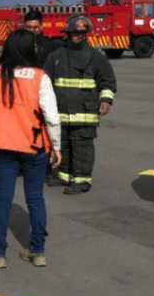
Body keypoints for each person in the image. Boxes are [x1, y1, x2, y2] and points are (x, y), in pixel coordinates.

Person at [0, 30, 61, 268]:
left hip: (3, 146)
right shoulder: (39, 76)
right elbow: (52, 117)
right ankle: (37, 251)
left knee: (2, 199)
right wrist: (57, 146)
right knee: (35, 199)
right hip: (34, 145)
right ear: (31, 50)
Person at [44, 15, 117, 194]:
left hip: (85, 113)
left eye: (83, 33)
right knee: (63, 144)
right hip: (61, 112)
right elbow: (44, 82)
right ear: (68, 34)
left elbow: (108, 81)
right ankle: (63, 175)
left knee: (82, 146)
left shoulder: (96, 57)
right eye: (76, 33)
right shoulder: (55, 57)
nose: (79, 36)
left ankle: (82, 180)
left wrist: (106, 100)